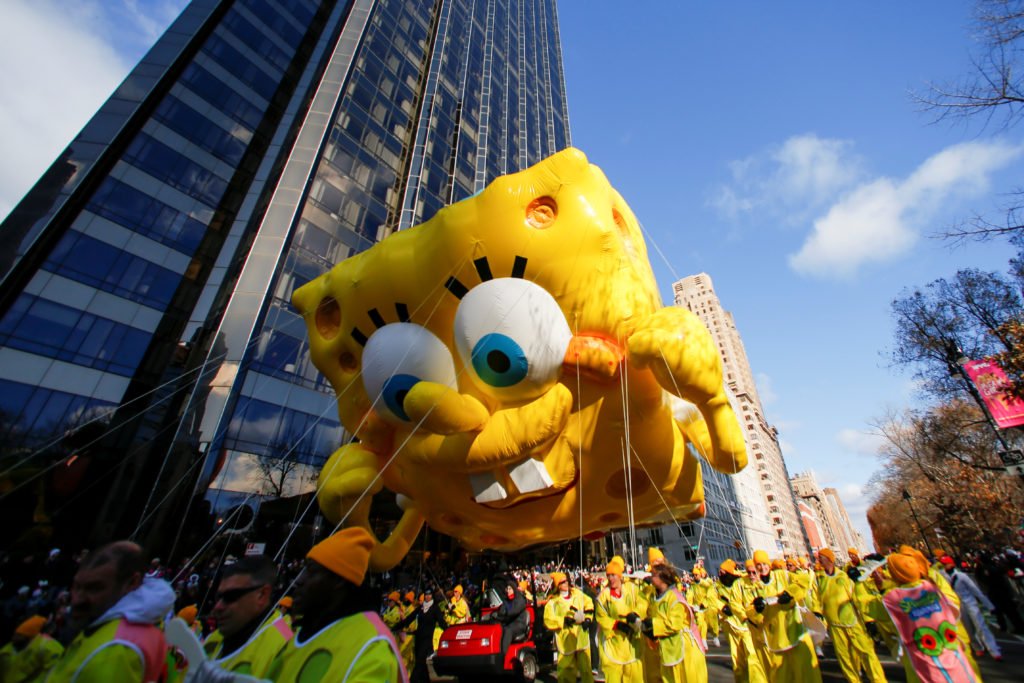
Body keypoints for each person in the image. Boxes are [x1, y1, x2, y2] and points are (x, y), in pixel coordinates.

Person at [266, 527, 405, 681]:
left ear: (338, 580)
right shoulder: (301, 635)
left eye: (311, 570)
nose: (299, 580)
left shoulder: (371, 647)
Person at [42, 541, 175, 682]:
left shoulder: (119, 648)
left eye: (94, 588)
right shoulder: (106, 624)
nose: (76, 600)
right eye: (76, 587)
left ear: (131, 583)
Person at [874, 549, 978, 683]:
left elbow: (876, 613)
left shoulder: (891, 598)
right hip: (953, 651)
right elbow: (953, 604)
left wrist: (881, 589)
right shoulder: (931, 586)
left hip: (923, 662)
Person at [200, 556, 292, 677]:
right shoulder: (214, 637)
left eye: (230, 597)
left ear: (262, 595)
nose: (218, 607)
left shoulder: (283, 648)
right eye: (218, 597)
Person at [743, 549, 820, 683]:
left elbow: (802, 581)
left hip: (795, 631)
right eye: (758, 565)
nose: (762, 568)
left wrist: (790, 593)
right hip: (775, 637)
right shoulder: (755, 587)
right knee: (781, 676)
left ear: (769, 564)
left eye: (764, 564)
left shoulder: (782, 576)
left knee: (806, 672)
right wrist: (757, 609)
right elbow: (749, 610)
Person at [813, 548, 886, 683]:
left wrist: (868, 620)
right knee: (845, 659)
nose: (819, 560)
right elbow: (816, 600)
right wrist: (817, 614)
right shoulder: (819, 579)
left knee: (867, 654)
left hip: (854, 624)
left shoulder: (844, 577)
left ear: (829, 559)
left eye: (821, 557)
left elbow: (859, 598)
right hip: (835, 627)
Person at [642, 564, 706, 683]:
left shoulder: (675, 597)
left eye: (654, 575)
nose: (651, 578)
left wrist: (653, 625)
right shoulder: (657, 597)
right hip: (668, 648)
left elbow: (675, 624)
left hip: (684, 649)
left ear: (663, 578)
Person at [938, 556, 1001, 660]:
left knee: (981, 626)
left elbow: (975, 590)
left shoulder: (962, 576)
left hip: (970, 602)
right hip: (958, 606)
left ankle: (994, 650)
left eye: (946, 564)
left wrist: (990, 606)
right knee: (968, 629)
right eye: (943, 564)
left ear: (952, 564)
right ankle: (978, 647)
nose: (944, 566)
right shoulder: (942, 576)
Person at [595, 557, 646, 683]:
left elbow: (642, 602)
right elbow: (601, 616)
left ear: (620, 576)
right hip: (614, 644)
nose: (611, 579)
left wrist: (636, 614)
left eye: (613, 575)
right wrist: (616, 624)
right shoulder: (603, 596)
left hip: (632, 641)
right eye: (608, 575)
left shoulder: (632, 588)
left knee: (636, 676)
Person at [715, 559, 765, 683]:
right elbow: (712, 598)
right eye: (720, 572)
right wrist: (722, 607)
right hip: (731, 626)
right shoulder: (717, 586)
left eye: (723, 572)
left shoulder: (743, 582)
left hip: (747, 626)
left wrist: (747, 617)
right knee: (737, 660)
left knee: (752, 657)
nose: (721, 575)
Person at [544, 571, 594, 683]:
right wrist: (563, 621)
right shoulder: (552, 602)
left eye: (566, 581)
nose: (566, 583)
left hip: (581, 638)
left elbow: (589, 603)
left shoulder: (577, 594)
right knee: (566, 672)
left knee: (586, 670)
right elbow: (548, 620)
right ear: (558, 586)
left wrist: (588, 619)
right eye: (562, 582)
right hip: (566, 641)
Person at [396, 587, 445, 683]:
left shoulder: (435, 608)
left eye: (429, 594)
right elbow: (409, 619)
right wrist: (396, 627)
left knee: (419, 663)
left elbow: (442, 622)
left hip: (427, 640)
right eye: (426, 595)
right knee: (421, 665)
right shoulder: (421, 608)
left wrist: (448, 631)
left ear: (432, 596)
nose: (427, 596)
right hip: (418, 639)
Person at [0, 615, 64, 682]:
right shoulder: (7, 650)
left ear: (30, 637)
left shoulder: (45, 646)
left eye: (19, 635)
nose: (14, 638)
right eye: (15, 635)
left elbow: (56, 669)